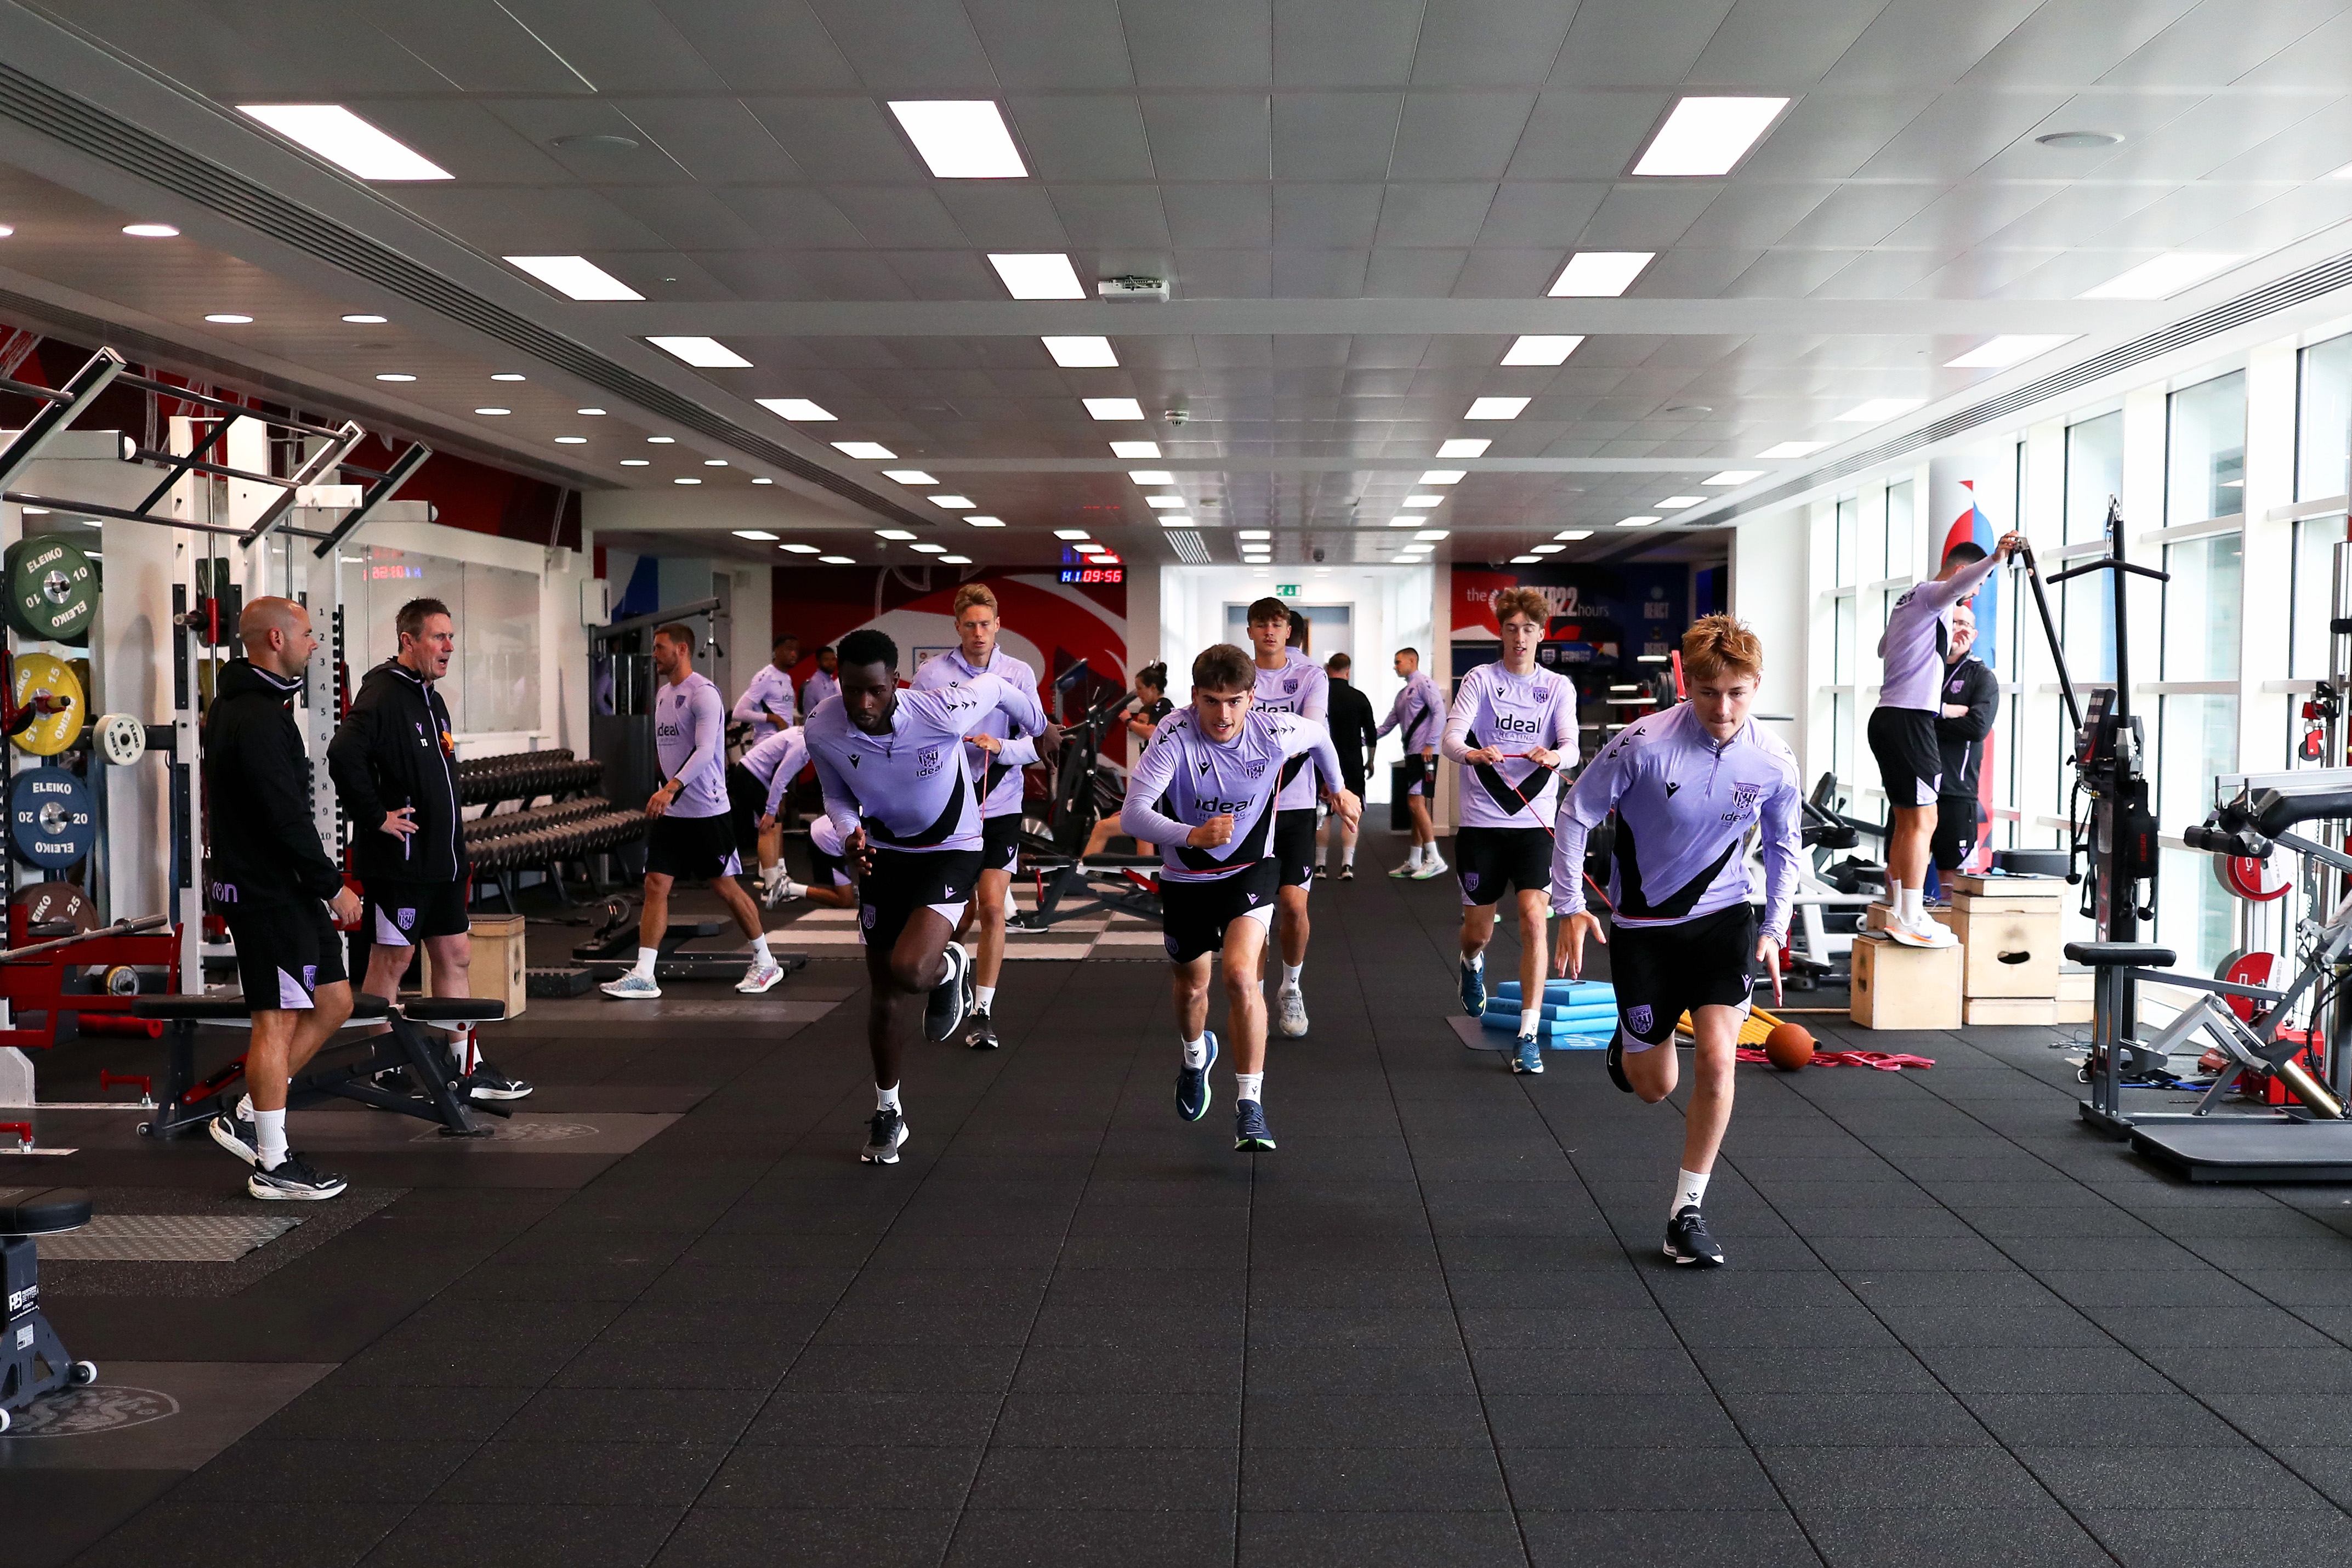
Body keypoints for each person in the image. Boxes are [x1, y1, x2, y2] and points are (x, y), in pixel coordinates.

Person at [1550, 615, 1803, 1268]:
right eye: (1710, 691)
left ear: (1756, 686)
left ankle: (1685, 1212)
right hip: (1644, 932)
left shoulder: (1773, 760)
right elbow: (1575, 812)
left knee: (1720, 1059)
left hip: (1724, 921)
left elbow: (1782, 847)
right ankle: (1631, 1044)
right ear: (1685, 681)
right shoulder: (1641, 745)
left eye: (1739, 693)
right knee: (1655, 1085)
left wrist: (1774, 929)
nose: (1724, 708)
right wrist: (1571, 906)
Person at [806, 627, 1049, 1164]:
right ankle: (889, 1111)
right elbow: (835, 792)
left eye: (874, 689)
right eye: (850, 689)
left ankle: (948, 967)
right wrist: (850, 833)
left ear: (896, 681)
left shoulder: (940, 710)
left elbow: (998, 687)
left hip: (951, 846)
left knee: (912, 971)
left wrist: (1042, 727)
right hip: (884, 851)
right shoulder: (822, 725)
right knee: (883, 992)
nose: (862, 703)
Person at [1120, 644, 1360, 1155]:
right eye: (1211, 701)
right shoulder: (1174, 735)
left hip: (1251, 869)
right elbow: (1134, 815)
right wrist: (1191, 835)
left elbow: (1320, 737)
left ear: (1253, 698)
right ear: (1194, 698)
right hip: (1186, 875)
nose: (1223, 715)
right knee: (1191, 990)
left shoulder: (1274, 730)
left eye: (1234, 701)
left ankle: (1250, 1105)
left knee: (1238, 976)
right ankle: (1193, 1055)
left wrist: (1339, 788)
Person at [327, 596, 530, 1106]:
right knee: (392, 962)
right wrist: (375, 817)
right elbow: (342, 754)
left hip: (441, 863)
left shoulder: (431, 698)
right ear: (408, 641)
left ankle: (466, 1066)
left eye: (451, 637)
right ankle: (384, 1067)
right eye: (439, 637)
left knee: (455, 955)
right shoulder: (382, 694)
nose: (449, 647)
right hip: (401, 866)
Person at [203, 597, 364, 1201]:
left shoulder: (255, 705)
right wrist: (333, 887)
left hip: (285, 890)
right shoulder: (254, 716)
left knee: (335, 999)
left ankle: (249, 1112)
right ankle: (272, 1161)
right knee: (275, 1021)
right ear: (277, 637)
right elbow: (285, 818)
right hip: (270, 894)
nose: (315, 644)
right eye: (309, 635)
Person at [602, 623, 785, 999]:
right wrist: (665, 784)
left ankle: (766, 962)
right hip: (674, 812)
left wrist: (671, 787)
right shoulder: (664, 694)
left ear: (682, 649)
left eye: (660, 648)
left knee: (726, 887)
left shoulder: (704, 695)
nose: (654, 655)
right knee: (655, 884)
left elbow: (704, 751)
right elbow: (668, 748)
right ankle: (644, 974)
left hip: (707, 809)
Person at [1442, 590, 1578, 1075]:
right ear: (1501, 633)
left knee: (1531, 918)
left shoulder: (1558, 687)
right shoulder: (1480, 680)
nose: (1519, 637)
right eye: (1511, 628)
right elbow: (1451, 740)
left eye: (1528, 629)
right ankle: (1472, 964)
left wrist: (1554, 756)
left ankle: (1527, 1035)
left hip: (1534, 825)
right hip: (1482, 824)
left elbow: (1572, 745)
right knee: (1478, 931)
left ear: (1542, 634)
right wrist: (1475, 754)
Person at [912, 584, 1052, 1052]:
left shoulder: (1017, 673)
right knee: (957, 913)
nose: (977, 633)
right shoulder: (932, 673)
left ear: (998, 625)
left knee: (993, 906)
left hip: (1001, 803)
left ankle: (983, 1012)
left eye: (985, 624)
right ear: (957, 628)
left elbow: (1040, 740)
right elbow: (915, 738)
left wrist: (1002, 747)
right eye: (969, 625)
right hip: (949, 806)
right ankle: (950, 970)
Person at [1868, 533, 2022, 947]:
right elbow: (1956, 585)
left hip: (1887, 718)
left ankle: (1903, 911)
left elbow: (1885, 647)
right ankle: (1912, 915)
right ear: (1960, 573)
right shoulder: (1935, 595)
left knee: (1907, 821)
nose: (1972, 595)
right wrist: (1995, 557)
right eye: (1976, 587)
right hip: (1910, 719)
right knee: (1925, 820)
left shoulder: (1910, 602)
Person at [1244, 596, 1328, 1038]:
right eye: (1262, 625)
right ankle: (1253, 994)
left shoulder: (1310, 676)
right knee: (1254, 911)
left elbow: (1311, 732)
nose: (1270, 632)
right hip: (1249, 808)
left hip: (1296, 805)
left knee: (1294, 906)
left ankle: (1291, 987)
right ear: (1251, 631)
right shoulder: (1241, 673)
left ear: (1289, 630)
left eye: (1278, 624)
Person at [1930, 601, 2000, 892]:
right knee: (1897, 871)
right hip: (1915, 785)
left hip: (1956, 793)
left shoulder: (1982, 677)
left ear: (1974, 634)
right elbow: (1904, 717)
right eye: (1953, 622)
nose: (1959, 630)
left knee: (1952, 879)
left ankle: (1949, 935)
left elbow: (1977, 727)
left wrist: (1931, 718)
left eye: (1965, 625)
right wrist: (1947, 710)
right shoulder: (1924, 670)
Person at [1082, 663, 1171, 860]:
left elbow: (1151, 732)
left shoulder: (1163, 706)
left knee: (1131, 830)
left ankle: (1142, 883)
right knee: (1137, 830)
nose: (1138, 693)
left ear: (1154, 688)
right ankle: (1143, 883)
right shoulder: (1156, 709)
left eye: (1140, 688)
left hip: (1158, 796)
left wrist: (1128, 721)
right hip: (1152, 795)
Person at [1378, 647, 1447, 878]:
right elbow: (1387, 726)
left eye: (1398, 662)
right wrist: (1361, 739)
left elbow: (1440, 713)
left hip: (1424, 754)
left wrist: (1431, 743)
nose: (1395, 666)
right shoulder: (1402, 695)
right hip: (1412, 754)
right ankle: (1415, 860)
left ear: (1411, 660)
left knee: (1415, 804)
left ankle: (1435, 858)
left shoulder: (1425, 684)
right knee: (1417, 807)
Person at [728, 722, 810, 907]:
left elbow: (779, 772)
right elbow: (781, 776)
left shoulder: (807, 736)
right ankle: (771, 887)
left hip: (758, 776)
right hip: (750, 775)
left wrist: (778, 804)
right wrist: (771, 810)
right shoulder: (804, 746)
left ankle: (778, 875)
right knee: (769, 826)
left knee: (776, 823)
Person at [1320, 652, 1378, 879]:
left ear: (1328, 670)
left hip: (1322, 764)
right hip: (1352, 764)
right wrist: (1371, 760)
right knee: (1352, 813)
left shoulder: (1320, 697)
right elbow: (1371, 734)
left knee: (1323, 813)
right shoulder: (1359, 698)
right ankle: (1347, 865)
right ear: (1348, 671)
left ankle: (1320, 865)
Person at [733, 632, 799, 732]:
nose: (794, 654)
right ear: (776, 651)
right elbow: (739, 713)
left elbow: (780, 708)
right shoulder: (766, 676)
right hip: (767, 739)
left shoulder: (787, 678)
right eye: (789, 649)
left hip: (784, 739)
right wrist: (775, 718)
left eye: (796, 650)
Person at [800, 814, 861, 910]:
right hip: (825, 839)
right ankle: (788, 888)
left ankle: (849, 887)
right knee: (846, 901)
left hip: (826, 827)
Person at [800, 644, 840, 718]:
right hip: (817, 726)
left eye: (833, 659)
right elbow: (829, 708)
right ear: (818, 662)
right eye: (826, 660)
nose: (831, 663)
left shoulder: (830, 681)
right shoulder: (816, 683)